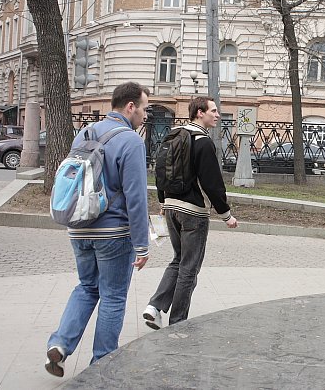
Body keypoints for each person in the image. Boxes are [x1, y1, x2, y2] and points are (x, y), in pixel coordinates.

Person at [45, 82, 151, 377]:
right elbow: (136, 197)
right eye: (144, 108)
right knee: (113, 296)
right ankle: (102, 364)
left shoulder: (85, 133)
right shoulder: (131, 141)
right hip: (113, 232)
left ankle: (60, 344)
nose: (145, 115)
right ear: (130, 107)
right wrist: (142, 244)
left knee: (86, 287)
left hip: (78, 226)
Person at [143, 96, 238, 330]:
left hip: (171, 208)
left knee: (178, 260)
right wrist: (226, 215)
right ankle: (178, 322)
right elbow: (212, 183)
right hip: (193, 213)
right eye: (213, 111)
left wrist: (163, 201)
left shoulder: (174, 136)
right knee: (189, 267)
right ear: (199, 113)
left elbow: (161, 172)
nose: (217, 115)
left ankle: (154, 307)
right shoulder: (203, 142)